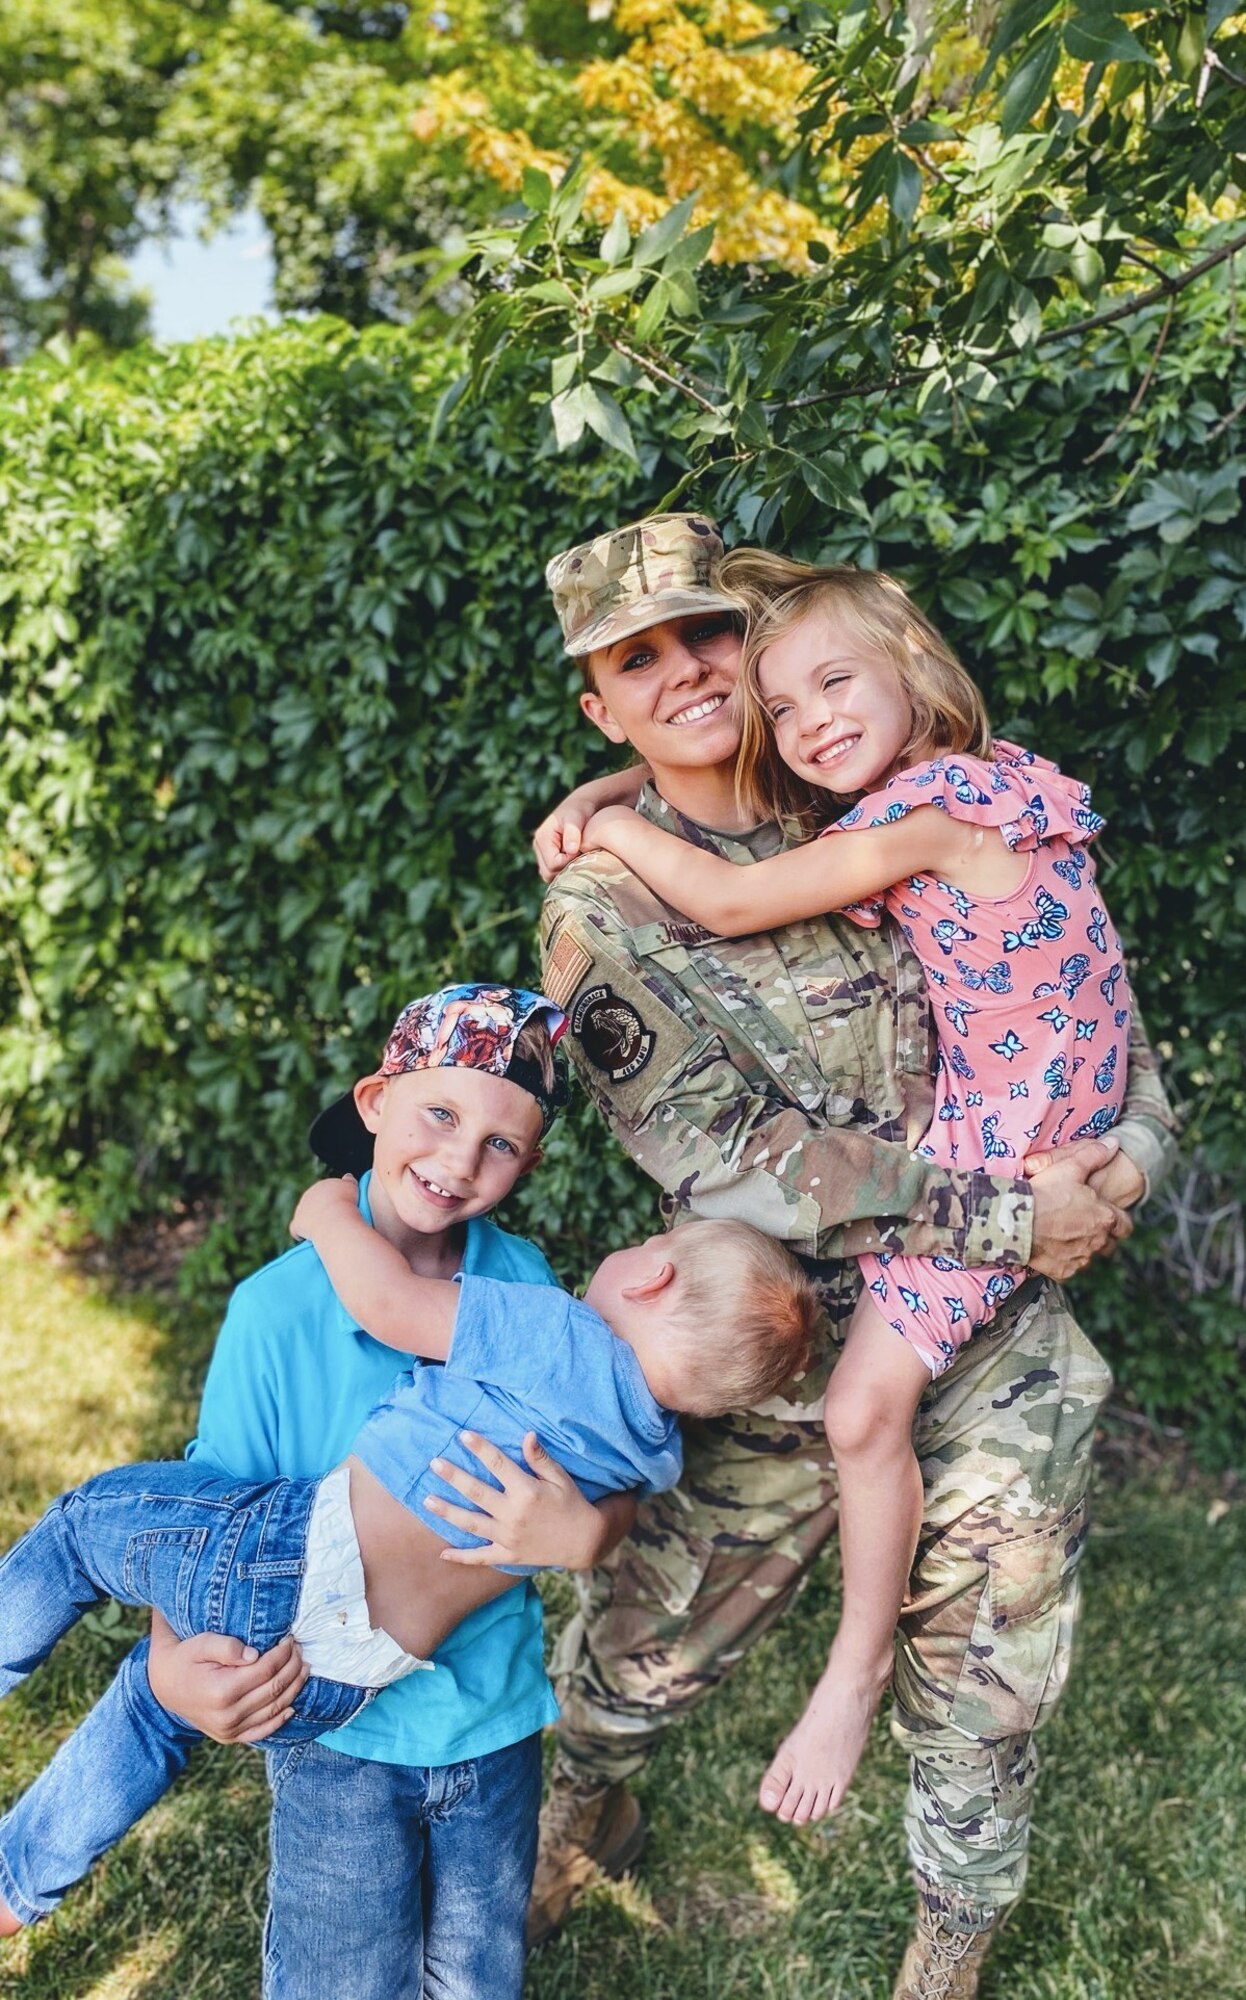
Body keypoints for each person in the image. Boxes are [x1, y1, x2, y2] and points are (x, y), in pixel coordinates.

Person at [531, 513, 1179, 1998]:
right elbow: (740, 1165)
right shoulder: (602, 903)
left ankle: (946, 1939)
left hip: (983, 1322)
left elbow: (1100, 1028)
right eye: (638, 659)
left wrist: (1128, 1160)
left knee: (990, 1669)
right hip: (769, 1331)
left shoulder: (880, 790)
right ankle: (578, 1816)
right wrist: (1020, 1214)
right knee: (641, 1652)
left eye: (708, 635)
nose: (688, 670)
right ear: (601, 701)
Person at [0, 984, 818, 1972]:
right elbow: (216, 1488)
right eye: (440, 1113)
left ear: (642, 1269)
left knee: (93, 1530)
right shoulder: (277, 1313)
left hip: (468, 1713)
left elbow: (397, 1311)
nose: (461, 1159)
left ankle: (17, 1864)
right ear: (374, 1099)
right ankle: (22, 1875)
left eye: (501, 1144)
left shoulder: (536, 1305)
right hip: (340, 1717)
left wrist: (582, 1534)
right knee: (167, 1687)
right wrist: (176, 1661)